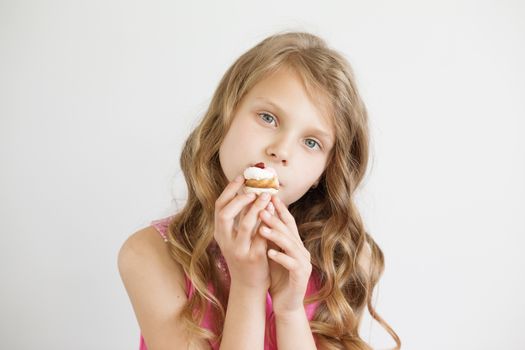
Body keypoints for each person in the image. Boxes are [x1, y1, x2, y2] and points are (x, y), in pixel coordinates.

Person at [118, 31, 401, 350]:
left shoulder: (342, 259)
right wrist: (248, 287)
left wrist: (290, 312)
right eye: (268, 118)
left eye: (311, 142)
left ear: (324, 172)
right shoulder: (150, 255)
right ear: (225, 117)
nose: (282, 151)